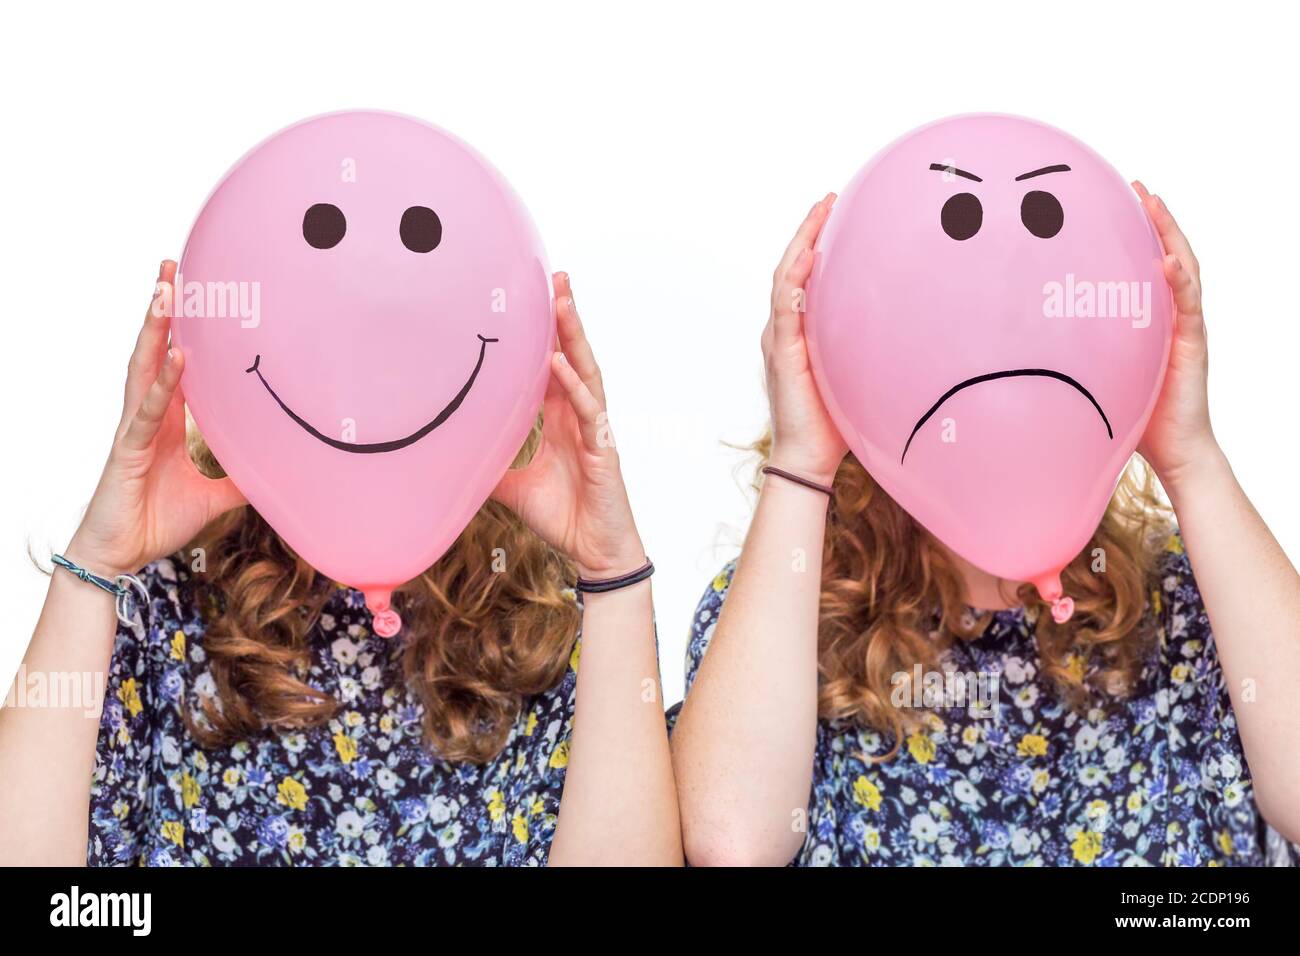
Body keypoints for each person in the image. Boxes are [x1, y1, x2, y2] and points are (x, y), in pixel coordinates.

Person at [669, 189, 1300, 866]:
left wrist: (1191, 455)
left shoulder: (1188, 603)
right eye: (954, 328)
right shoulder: (787, 613)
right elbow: (730, 845)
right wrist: (802, 460)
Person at [0, 264, 682, 867]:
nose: (368, 386)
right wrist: (96, 560)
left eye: (404, 341)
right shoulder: (170, 601)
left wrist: (612, 568)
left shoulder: (547, 626)